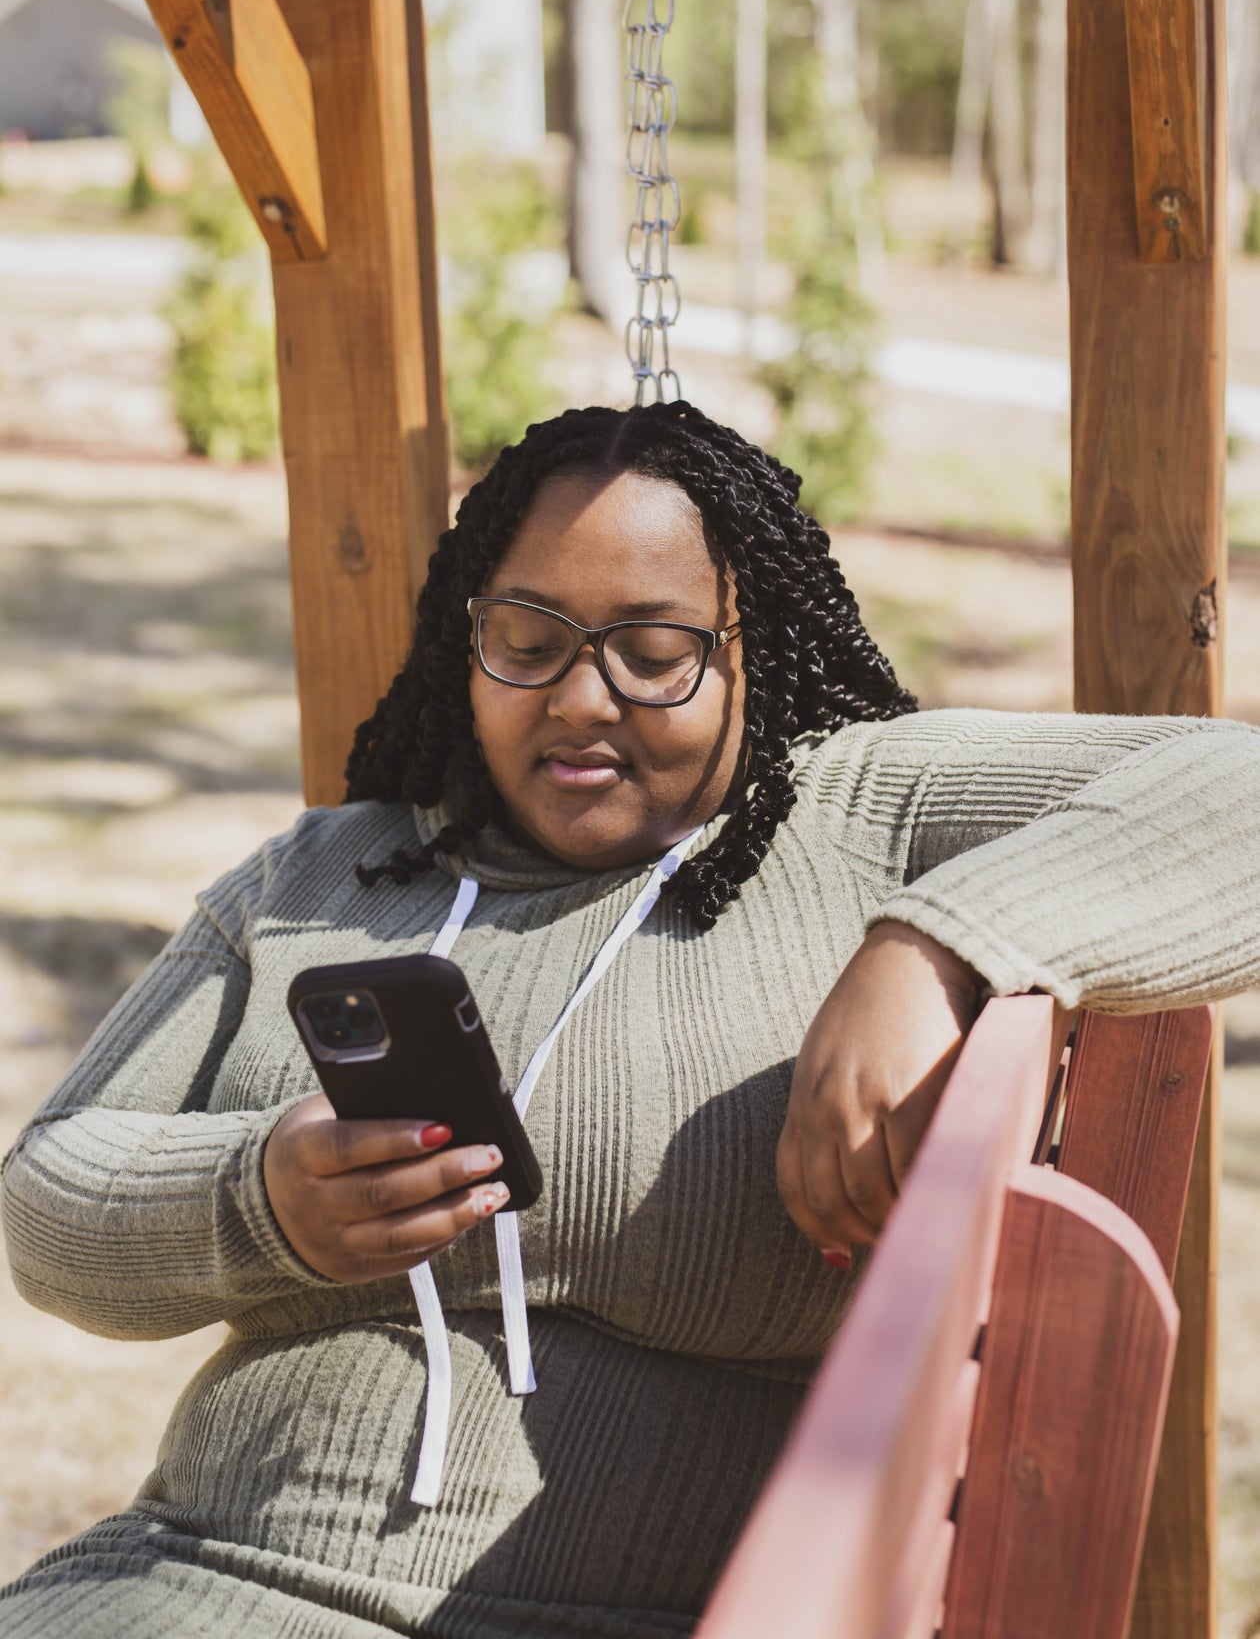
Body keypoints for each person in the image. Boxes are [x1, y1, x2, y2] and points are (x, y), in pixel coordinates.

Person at [3, 400, 1258, 1638]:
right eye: (526, 639)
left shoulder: (859, 812)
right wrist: (259, 1196)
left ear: (753, 647)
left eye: (653, 653)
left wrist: (933, 942)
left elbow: (1235, 787)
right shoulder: (328, 873)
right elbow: (51, 1193)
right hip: (184, 1577)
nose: (581, 699)